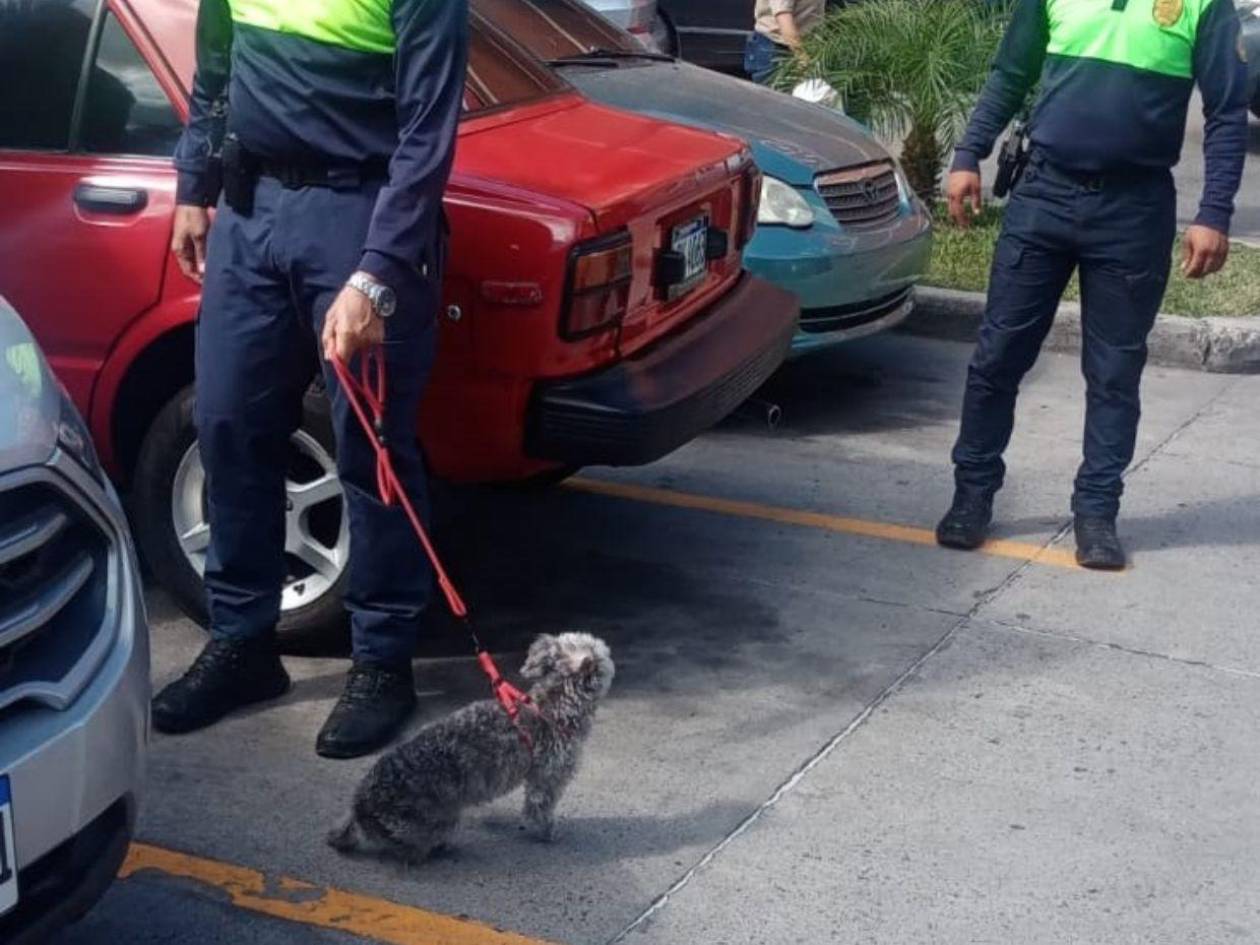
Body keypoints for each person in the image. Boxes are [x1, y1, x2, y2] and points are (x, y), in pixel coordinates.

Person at [152, 0, 468, 759]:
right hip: (252, 212)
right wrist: (195, 183)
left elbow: (429, 132)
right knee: (227, 425)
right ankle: (243, 643)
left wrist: (379, 271)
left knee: (373, 450)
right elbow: (218, 65)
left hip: (358, 213)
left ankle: (384, 663)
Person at [936, 0, 1247, 570]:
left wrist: (1215, 212)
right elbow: (1011, 72)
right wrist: (967, 153)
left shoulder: (1206, 5)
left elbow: (1227, 111)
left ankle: (1097, 513)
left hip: (1135, 210)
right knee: (997, 356)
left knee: (1114, 373)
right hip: (1043, 194)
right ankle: (972, 494)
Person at [746, 0, 825, 84]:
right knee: (776, 96)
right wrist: (802, 56)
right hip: (777, 49)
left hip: (803, 47)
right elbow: (783, 16)